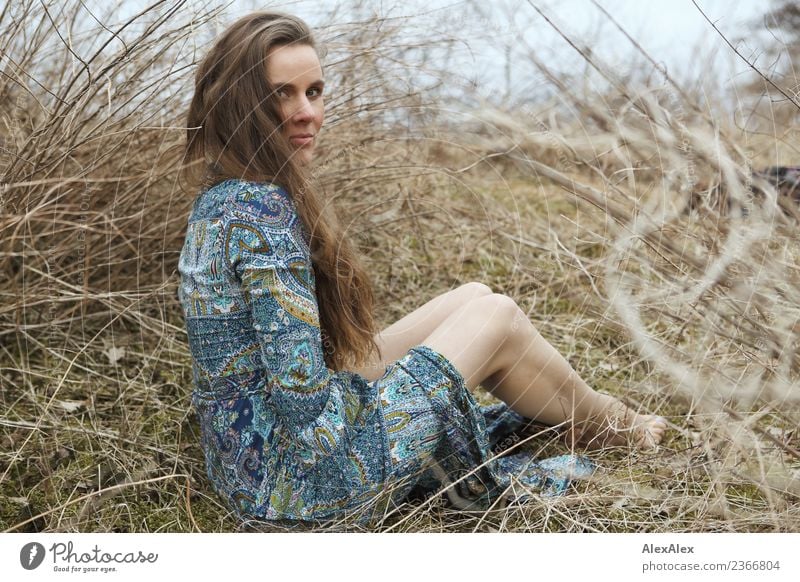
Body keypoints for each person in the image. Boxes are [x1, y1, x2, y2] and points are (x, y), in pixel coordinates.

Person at [177, 10, 667, 525]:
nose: (307, 113)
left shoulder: (223, 199)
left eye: (315, 92)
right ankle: (614, 423)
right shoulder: (262, 215)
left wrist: (387, 391)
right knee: (495, 314)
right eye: (283, 93)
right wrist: (389, 406)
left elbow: (291, 381)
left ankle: (594, 420)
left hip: (246, 467)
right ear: (240, 104)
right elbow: (308, 415)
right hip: (306, 485)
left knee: (473, 296)